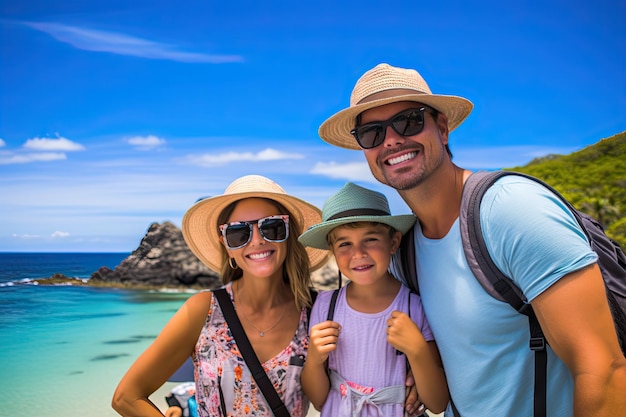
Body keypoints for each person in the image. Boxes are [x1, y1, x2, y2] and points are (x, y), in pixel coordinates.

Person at [316, 63, 626, 416]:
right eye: (372, 133)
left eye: (409, 121)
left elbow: (604, 371)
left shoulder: (511, 211)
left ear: (443, 128)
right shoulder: (406, 251)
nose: (391, 139)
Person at [112, 174, 329, 417]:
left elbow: (331, 401)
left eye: (272, 227)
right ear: (226, 245)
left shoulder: (316, 311)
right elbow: (126, 397)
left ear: (289, 235)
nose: (257, 240)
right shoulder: (202, 310)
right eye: (238, 233)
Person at [298, 182, 449, 416]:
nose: (358, 253)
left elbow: (437, 403)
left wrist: (418, 351)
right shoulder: (326, 305)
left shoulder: (415, 306)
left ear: (394, 242)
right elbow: (318, 400)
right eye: (345, 244)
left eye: (370, 239)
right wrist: (315, 360)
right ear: (333, 251)